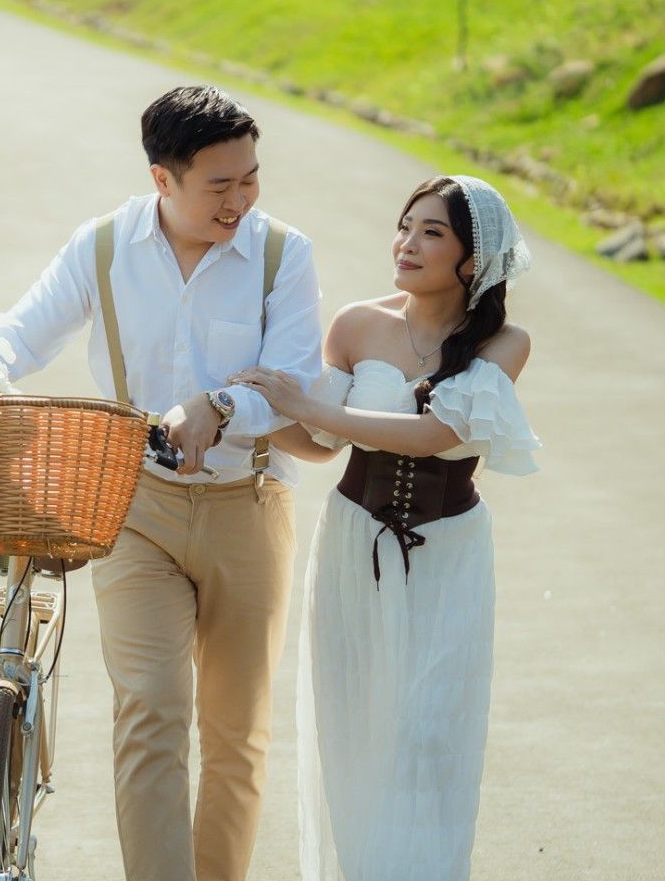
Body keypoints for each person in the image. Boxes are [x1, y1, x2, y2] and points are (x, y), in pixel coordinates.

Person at [0, 85, 323, 881]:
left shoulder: (284, 255)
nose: (240, 199)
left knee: (236, 732)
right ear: (162, 180)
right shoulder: (103, 247)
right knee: (150, 710)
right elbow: (18, 336)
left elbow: (295, 385)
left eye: (250, 178)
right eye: (220, 184)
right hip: (136, 508)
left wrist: (222, 405)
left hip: (251, 506)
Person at [230, 174, 541, 881]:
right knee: (357, 728)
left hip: (449, 557)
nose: (407, 243)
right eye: (405, 227)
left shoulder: (505, 343)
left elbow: (436, 435)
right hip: (352, 546)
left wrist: (311, 405)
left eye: (432, 232)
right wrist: (258, 406)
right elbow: (320, 445)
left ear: (474, 258)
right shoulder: (357, 324)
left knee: (427, 731)